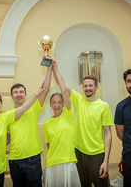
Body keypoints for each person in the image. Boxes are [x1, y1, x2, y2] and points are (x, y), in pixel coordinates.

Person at [7, 62, 51, 187]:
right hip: (14, 161)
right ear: (11, 96)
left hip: (33, 159)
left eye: (21, 92)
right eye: (15, 92)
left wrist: (49, 68)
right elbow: (6, 139)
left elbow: (46, 89)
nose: (19, 94)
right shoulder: (7, 115)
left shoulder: (33, 108)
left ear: (26, 95)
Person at [66, 74, 114, 187]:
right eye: (85, 86)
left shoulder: (103, 106)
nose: (88, 88)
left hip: (96, 154)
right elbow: (63, 86)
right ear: (83, 88)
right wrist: (54, 68)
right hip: (79, 153)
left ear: (96, 87)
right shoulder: (79, 100)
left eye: (90, 85)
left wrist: (106, 161)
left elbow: (108, 135)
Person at [43, 59, 81, 187]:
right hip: (52, 163)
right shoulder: (47, 123)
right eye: (54, 102)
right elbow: (49, 144)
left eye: (60, 102)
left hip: (68, 161)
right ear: (50, 105)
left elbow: (64, 90)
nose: (57, 105)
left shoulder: (68, 114)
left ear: (64, 104)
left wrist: (55, 70)